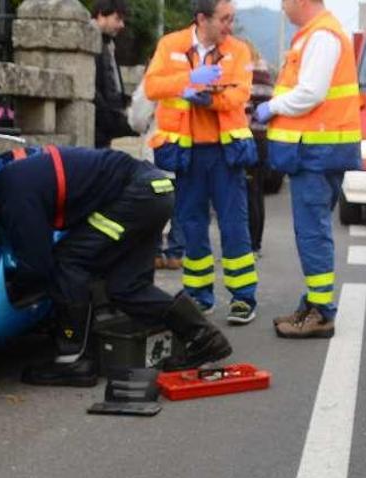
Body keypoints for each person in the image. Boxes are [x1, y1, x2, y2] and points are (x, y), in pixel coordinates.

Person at [0, 146, 233, 387]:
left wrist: (14, 289)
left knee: (68, 260)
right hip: (157, 189)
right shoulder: (22, 169)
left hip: (137, 194)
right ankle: (204, 339)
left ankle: (74, 360)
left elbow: (37, 264)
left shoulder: (11, 192)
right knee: (127, 287)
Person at [142, 0, 260, 325]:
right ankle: (199, 296)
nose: (229, 26)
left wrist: (207, 98)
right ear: (202, 19)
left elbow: (239, 94)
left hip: (225, 153)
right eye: (224, 19)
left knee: (234, 225)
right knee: (192, 226)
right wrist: (190, 78)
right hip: (187, 153)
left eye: (232, 19)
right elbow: (153, 87)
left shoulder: (238, 50)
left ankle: (243, 298)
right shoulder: (171, 45)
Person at [253, 0, 362, 339]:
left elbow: (310, 93)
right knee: (313, 230)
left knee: (312, 232)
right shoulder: (315, 35)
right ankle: (314, 303)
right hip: (318, 149)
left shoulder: (322, 36)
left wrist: (269, 107)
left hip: (317, 151)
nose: (283, 7)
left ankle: (321, 312)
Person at [127, 81, 185, 270]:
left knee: (155, 202)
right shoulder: (195, 67)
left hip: (158, 148)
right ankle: (176, 252)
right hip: (187, 147)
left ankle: (154, 251)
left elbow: (138, 117)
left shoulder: (156, 76)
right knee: (182, 203)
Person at [240, 39, 273, 256]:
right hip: (263, 137)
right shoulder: (266, 72)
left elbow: (244, 106)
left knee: (249, 192)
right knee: (256, 191)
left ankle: (251, 243)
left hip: (249, 136)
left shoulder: (250, 72)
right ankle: (256, 242)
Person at [92, 0, 136, 148]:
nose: (121, 25)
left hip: (105, 125)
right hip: (96, 125)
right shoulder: (92, 43)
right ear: (101, 16)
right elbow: (94, 88)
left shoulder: (108, 44)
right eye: (117, 19)